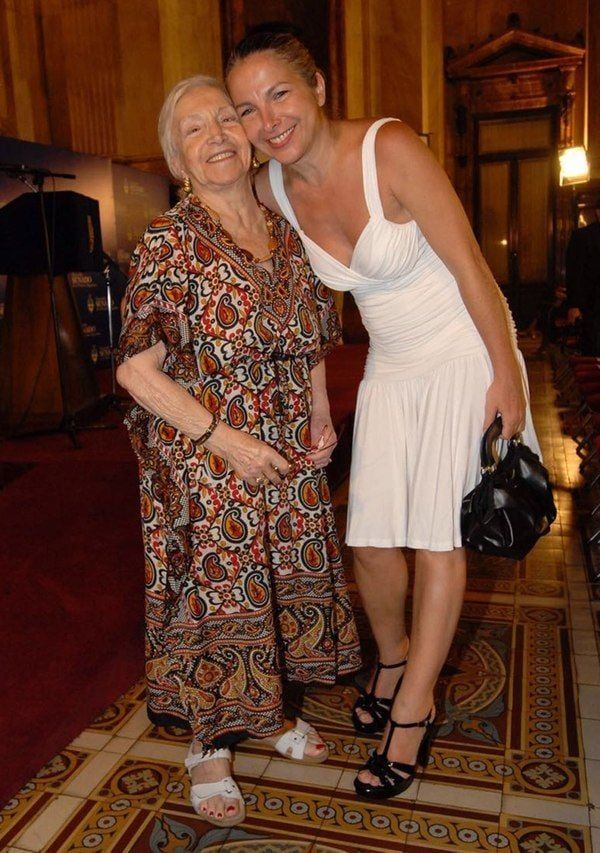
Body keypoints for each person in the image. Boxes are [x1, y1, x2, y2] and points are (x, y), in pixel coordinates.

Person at [226, 31, 541, 801]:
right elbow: (225, 215)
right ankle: (394, 658)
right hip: (390, 366)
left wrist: (506, 375)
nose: (268, 119)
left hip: (462, 348)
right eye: (247, 108)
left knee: (436, 538)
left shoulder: (390, 148)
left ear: (318, 87)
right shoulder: (270, 187)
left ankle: (412, 708)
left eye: (279, 93)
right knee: (368, 537)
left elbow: (471, 265)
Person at [116, 74, 361, 826]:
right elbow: (135, 370)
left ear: (250, 138)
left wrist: (320, 415)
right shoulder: (168, 241)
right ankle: (209, 743)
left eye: (226, 118)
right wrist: (226, 441)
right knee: (220, 597)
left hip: (286, 450)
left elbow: (312, 337)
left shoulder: (285, 231)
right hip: (208, 458)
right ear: (178, 159)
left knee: (281, 586)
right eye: (194, 129)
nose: (217, 135)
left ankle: (270, 710)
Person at [565, 211, 600, 354]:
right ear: (598, 212)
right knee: (593, 349)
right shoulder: (582, 236)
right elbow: (574, 272)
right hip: (591, 306)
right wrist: (574, 305)